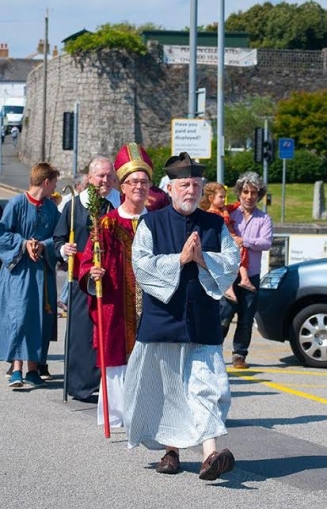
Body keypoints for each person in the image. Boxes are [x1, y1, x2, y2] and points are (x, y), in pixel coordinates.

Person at [123, 151, 240, 481]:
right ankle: (171, 452)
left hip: (202, 321)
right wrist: (179, 260)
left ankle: (210, 454)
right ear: (171, 188)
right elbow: (142, 266)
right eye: (184, 184)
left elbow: (230, 262)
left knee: (205, 387)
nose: (191, 191)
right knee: (166, 388)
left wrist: (203, 260)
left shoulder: (215, 225)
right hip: (163, 321)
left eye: (196, 185)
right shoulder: (151, 223)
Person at [79, 142, 152, 427]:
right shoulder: (107, 224)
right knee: (117, 351)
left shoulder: (157, 222)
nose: (139, 187)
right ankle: (119, 414)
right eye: (133, 181)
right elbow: (88, 261)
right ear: (122, 187)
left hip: (151, 303)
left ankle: (147, 413)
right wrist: (91, 272)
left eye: (144, 182)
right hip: (116, 301)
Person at [53, 155, 117, 401]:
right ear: (90, 178)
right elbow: (58, 239)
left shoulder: (117, 204)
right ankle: (79, 385)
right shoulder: (74, 206)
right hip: (81, 278)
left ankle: (106, 385)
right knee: (81, 331)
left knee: (107, 331)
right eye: (101, 176)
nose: (105, 180)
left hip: (110, 279)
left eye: (110, 176)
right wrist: (63, 249)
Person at [0, 162, 60, 388]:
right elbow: (2, 234)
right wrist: (24, 244)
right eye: (54, 182)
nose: (55, 187)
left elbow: (58, 237)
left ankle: (34, 368)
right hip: (18, 272)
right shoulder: (16, 203)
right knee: (19, 316)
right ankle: (17, 369)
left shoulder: (50, 208)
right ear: (46, 182)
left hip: (41, 272)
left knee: (40, 318)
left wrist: (43, 245)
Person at [219, 171, 273, 370]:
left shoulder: (264, 219)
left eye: (254, 193)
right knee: (224, 314)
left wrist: (245, 241)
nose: (249, 197)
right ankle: (214, 350)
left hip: (251, 276)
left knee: (246, 318)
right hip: (229, 274)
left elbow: (266, 243)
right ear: (239, 193)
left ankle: (239, 355)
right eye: (246, 192)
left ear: (259, 195)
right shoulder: (229, 214)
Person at [200, 182, 256, 302]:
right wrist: (226, 212)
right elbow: (221, 223)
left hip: (231, 239)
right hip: (223, 242)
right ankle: (229, 287)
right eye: (221, 197)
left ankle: (244, 279)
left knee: (241, 255)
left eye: (224, 197)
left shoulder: (223, 209)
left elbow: (235, 205)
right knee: (229, 261)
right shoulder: (211, 213)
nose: (224, 200)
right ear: (211, 198)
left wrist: (242, 198)